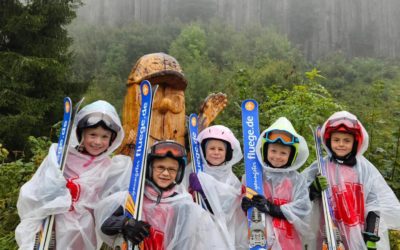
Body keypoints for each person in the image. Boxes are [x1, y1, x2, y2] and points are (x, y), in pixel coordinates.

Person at [15, 100, 131, 249]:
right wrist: (55, 190)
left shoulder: (111, 167)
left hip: (83, 232)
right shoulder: (62, 156)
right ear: (81, 134)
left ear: (112, 139)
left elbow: (113, 199)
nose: (97, 141)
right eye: (92, 135)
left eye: (104, 137)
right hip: (51, 226)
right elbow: (35, 190)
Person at [96, 140, 231, 249]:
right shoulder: (134, 197)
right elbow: (105, 225)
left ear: (178, 173)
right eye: (160, 167)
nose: (166, 173)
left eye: (172, 169)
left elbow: (195, 239)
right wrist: (125, 223)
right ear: (149, 168)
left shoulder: (184, 204)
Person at [303, 111, 400, 250]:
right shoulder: (320, 167)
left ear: (355, 142)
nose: (341, 144)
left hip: (358, 233)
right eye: (336, 140)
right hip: (328, 235)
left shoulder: (364, 169)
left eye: (346, 140)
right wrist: (313, 190)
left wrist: (371, 235)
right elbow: (298, 197)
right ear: (329, 141)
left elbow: (374, 204)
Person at [241, 117, 311, 249]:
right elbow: (238, 207)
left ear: (291, 156)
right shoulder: (253, 176)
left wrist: (272, 208)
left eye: (283, 153)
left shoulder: (296, 180)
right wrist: (244, 205)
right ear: (265, 150)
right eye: (273, 151)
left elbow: (303, 209)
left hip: (288, 243)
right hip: (259, 241)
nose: (277, 156)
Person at [187, 125, 248, 249]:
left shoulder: (231, 179)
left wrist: (206, 187)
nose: (216, 152)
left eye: (220, 149)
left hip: (221, 236)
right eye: (212, 148)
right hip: (194, 232)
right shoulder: (193, 170)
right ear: (204, 150)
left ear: (228, 153)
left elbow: (228, 210)